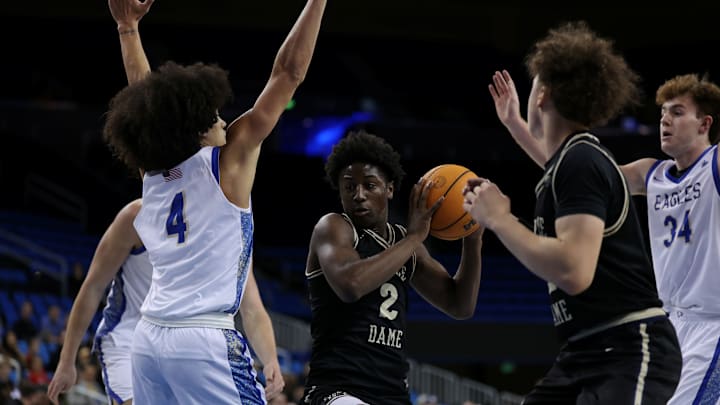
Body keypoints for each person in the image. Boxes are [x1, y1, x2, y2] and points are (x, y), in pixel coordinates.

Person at [100, 0, 327, 402]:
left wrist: (127, 29)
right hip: (201, 339)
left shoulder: (152, 173)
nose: (224, 120)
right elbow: (288, 73)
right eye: (216, 115)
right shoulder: (228, 162)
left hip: (148, 337)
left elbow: (143, 95)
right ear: (196, 128)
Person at [464, 21, 682, 403]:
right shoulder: (571, 162)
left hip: (628, 347)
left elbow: (573, 270)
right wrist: (516, 125)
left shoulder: (581, 160)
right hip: (585, 352)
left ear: (543, 94)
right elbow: (554, 168)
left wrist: (499, 219)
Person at [488, 62, 720, 405]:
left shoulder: (715, 163)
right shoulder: (650, 173)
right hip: (670, 322)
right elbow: (578, 173)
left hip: (712, 326)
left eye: (677, 112)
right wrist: (515, 125)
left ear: (705, 123)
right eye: (662, 113)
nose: (665, 120)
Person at [301, 130, 484, 405]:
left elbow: (460, 305)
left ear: (389, 188)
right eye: (349, 187)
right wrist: (413, 238)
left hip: (392, 392)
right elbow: (351, 285)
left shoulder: (404, 244)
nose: (359, 195)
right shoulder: (334, 227)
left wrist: (472, 239)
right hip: (338, 390)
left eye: (370, 185)